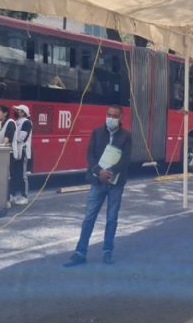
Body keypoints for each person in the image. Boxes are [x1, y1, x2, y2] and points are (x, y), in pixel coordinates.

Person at [64, 105, 133, 267]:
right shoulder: (97, 132)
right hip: (97, 181)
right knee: (89, 218)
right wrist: (98, 171)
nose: (111, 118)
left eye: (114, 116)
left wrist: (110, 171)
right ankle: (80, 253)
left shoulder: (126, 136)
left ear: (120, 118)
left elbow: (126, 159)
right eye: (109, 115)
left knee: (111, 218)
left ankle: (107, 251)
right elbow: (90, 154)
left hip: (116, 182)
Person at [10, 105, 33, 206]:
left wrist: (11, 138)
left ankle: (25, 196)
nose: (16, 111)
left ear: (23, 112)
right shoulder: (16, 122)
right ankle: (13, 195)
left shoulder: (26, 123)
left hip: (22, 151)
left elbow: (21, 138)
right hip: (16, 151)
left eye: (18, 110)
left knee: (23, 175)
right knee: (14, 174)